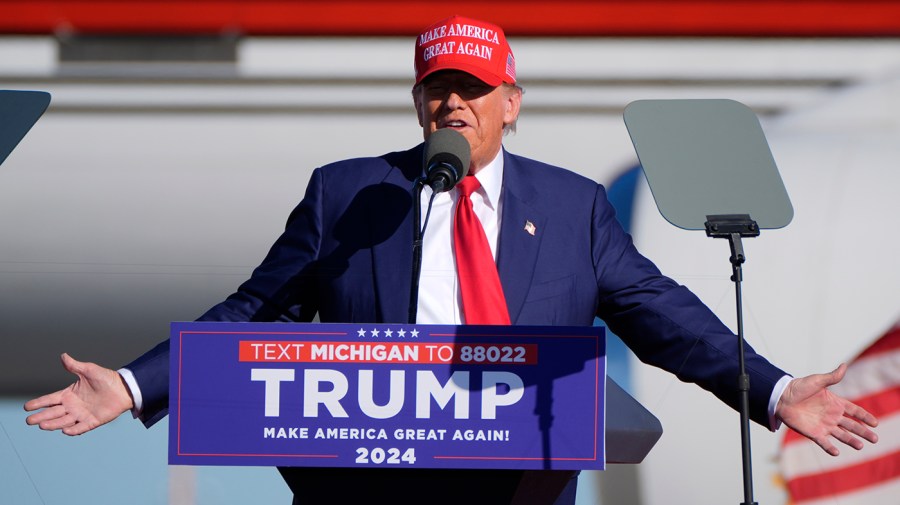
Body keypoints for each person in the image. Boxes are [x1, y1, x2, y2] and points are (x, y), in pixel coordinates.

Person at [25, 15, 878, 505]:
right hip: (368, 494)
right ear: (417, 99)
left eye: (472, 87)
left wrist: (768, 389)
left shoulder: (572, 207)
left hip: (512, 496)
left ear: (511, 103)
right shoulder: (349, 195)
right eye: (438, 86)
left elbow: (659, 313)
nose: (452, 101)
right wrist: (135, 385)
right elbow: (255, 310)